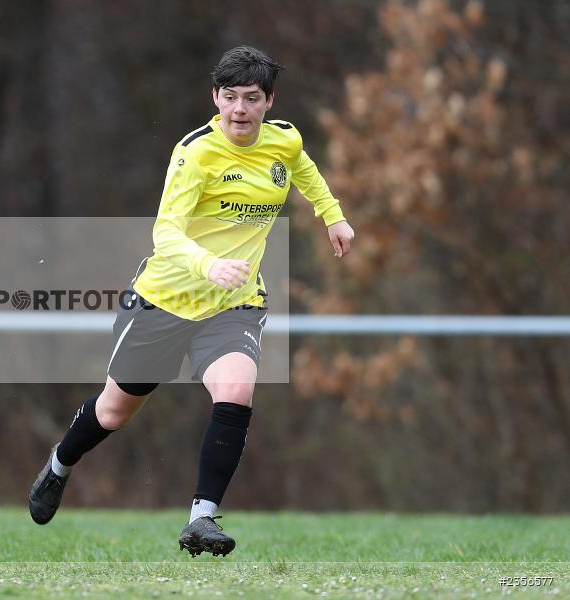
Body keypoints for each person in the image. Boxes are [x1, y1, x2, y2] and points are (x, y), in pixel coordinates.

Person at [29, 46, 354, 557]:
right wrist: (210, 265)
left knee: (237, 389)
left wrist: (332, 215)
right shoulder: (195, 152)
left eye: (251, 98)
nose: (240, 109)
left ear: (269, 101)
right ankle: (59, 465)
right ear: (215, 98)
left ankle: (202, 518)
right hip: (164, 300)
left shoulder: (284, 141)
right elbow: (166, 233)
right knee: (114, 412)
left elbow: (305, 171)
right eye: (230, 98)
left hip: (235, 303)